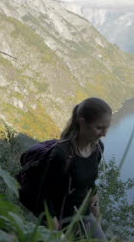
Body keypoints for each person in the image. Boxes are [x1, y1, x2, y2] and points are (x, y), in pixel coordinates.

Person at [43, 97, 111, 240]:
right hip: (61, 219)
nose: (104, 134)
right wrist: (55, 229)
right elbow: (44, 196)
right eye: (99, 128)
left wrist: (96, 211)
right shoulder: (61, 154)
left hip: (84, 214)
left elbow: (89, 182)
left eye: (107, 128)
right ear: (82, 123)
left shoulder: (97, 148)